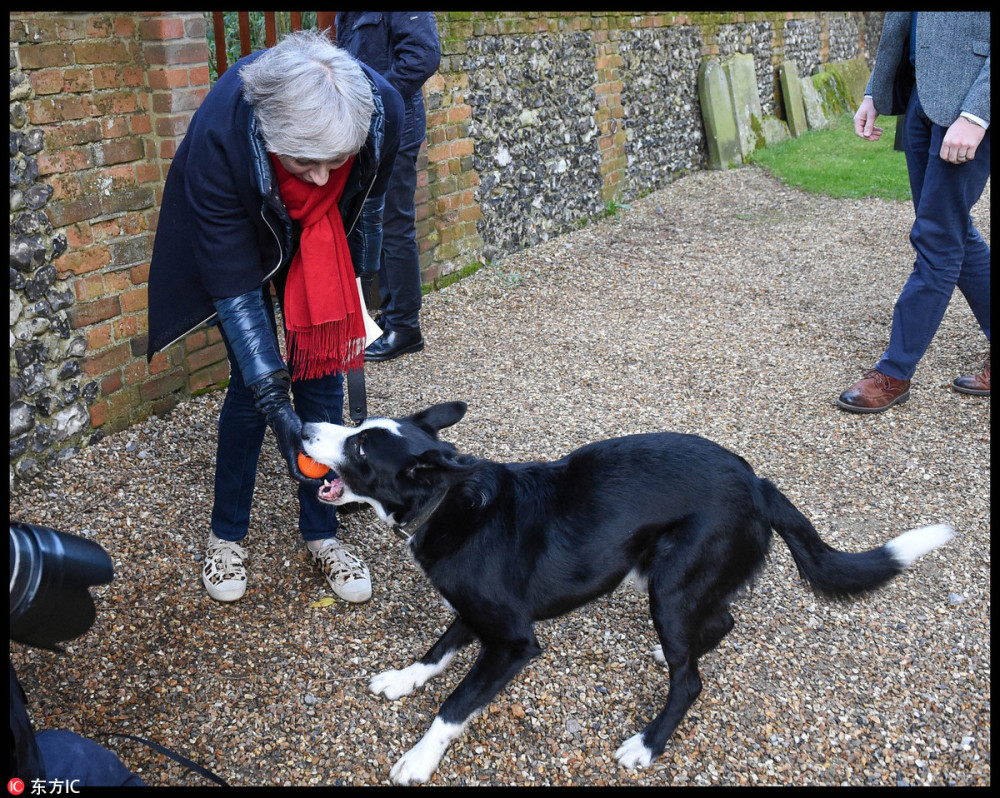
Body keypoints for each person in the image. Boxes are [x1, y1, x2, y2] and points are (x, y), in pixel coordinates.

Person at [146, 30, 403, 602]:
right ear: (268, 136)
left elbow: (368, 209)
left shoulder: (384, 108)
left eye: (334, 161)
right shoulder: (221, 135)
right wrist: (275, 407)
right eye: (305, 162)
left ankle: (322, 533)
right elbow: (234, 287)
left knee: (321, 375)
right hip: (244, 238)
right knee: (250, 385)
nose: (320, 178)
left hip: (323, 241)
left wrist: (352, 303)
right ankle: (226, 535)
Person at [837, 12, 990, 413]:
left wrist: (978, 114)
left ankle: (894, 371)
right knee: (955, 234)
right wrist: (876, 91)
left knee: (937, 237)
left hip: (969, 107)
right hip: (924, 98)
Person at [335, 12, 441, 362]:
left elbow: (424, 55)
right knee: (371, 222)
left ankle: (405, 327)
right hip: (365, 129)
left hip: (396, 127)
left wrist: (376, 98)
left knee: (395, 224)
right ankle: (389, 314)